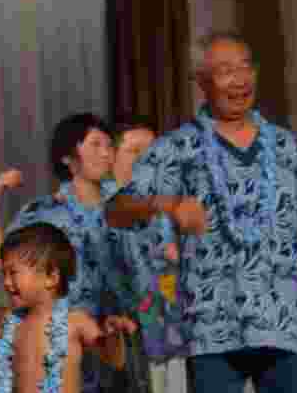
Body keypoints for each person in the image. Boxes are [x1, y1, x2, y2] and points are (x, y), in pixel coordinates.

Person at [106, 31, 297, 393]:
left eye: (246, 67)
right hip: (211, 332)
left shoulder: (283, 144)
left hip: (285, 326)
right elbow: (116, 210)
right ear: (201, 81)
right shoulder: (178, 147)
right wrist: (167, 204)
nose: (240, 79)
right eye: (225, 70)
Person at [0, 113, 132, 393]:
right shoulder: (44, 212)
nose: (106, 153)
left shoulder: (127, 207)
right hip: (61, 347)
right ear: (67, 157)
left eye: (110, 146)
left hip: (118, 342)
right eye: (95, 144)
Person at [0, 223, 136, 393]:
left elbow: (114, 359)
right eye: (4, 274)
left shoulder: (75, 322)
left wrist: (113, 334)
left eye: (13, 273)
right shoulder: (11, 325)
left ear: (51, 277)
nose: (5, 282)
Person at [111, 118, 186, 393]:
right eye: (136, 150)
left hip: (178, 339)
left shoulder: (173, 209)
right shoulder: (99, 212)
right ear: (112, 156)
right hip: (123, 339)